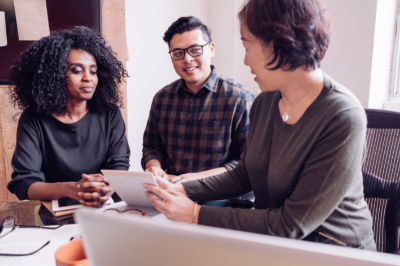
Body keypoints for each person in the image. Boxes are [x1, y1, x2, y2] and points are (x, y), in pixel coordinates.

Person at [144, 0, 376, 250]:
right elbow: (246, 173)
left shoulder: (342, 115)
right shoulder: (265, 102)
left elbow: (290, 225)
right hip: (275, 244)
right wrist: (179, 186)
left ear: (277, 44)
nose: (245, 61)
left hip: (335, 251)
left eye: (247, 45)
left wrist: (196, 214)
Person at [7, 26, 130, 207]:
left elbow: (119, 167)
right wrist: (71, 189)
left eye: (93, 71)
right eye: (77, 70)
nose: (88, 78)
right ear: (55, 76)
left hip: (106, 209)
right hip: (58, 215)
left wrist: (107, 186)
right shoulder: (33, 119)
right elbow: (24, 184)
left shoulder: (110, 114)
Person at [142, 16, 254, 185]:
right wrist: (154, 167)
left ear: (211, 49)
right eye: (178, 53)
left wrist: (199, 178)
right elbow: (152, 147)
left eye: (195, 49)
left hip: (220, 193)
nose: (187, 59)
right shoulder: (162, 99)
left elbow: (248, 163)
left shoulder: (239, 98)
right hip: (172, 188)